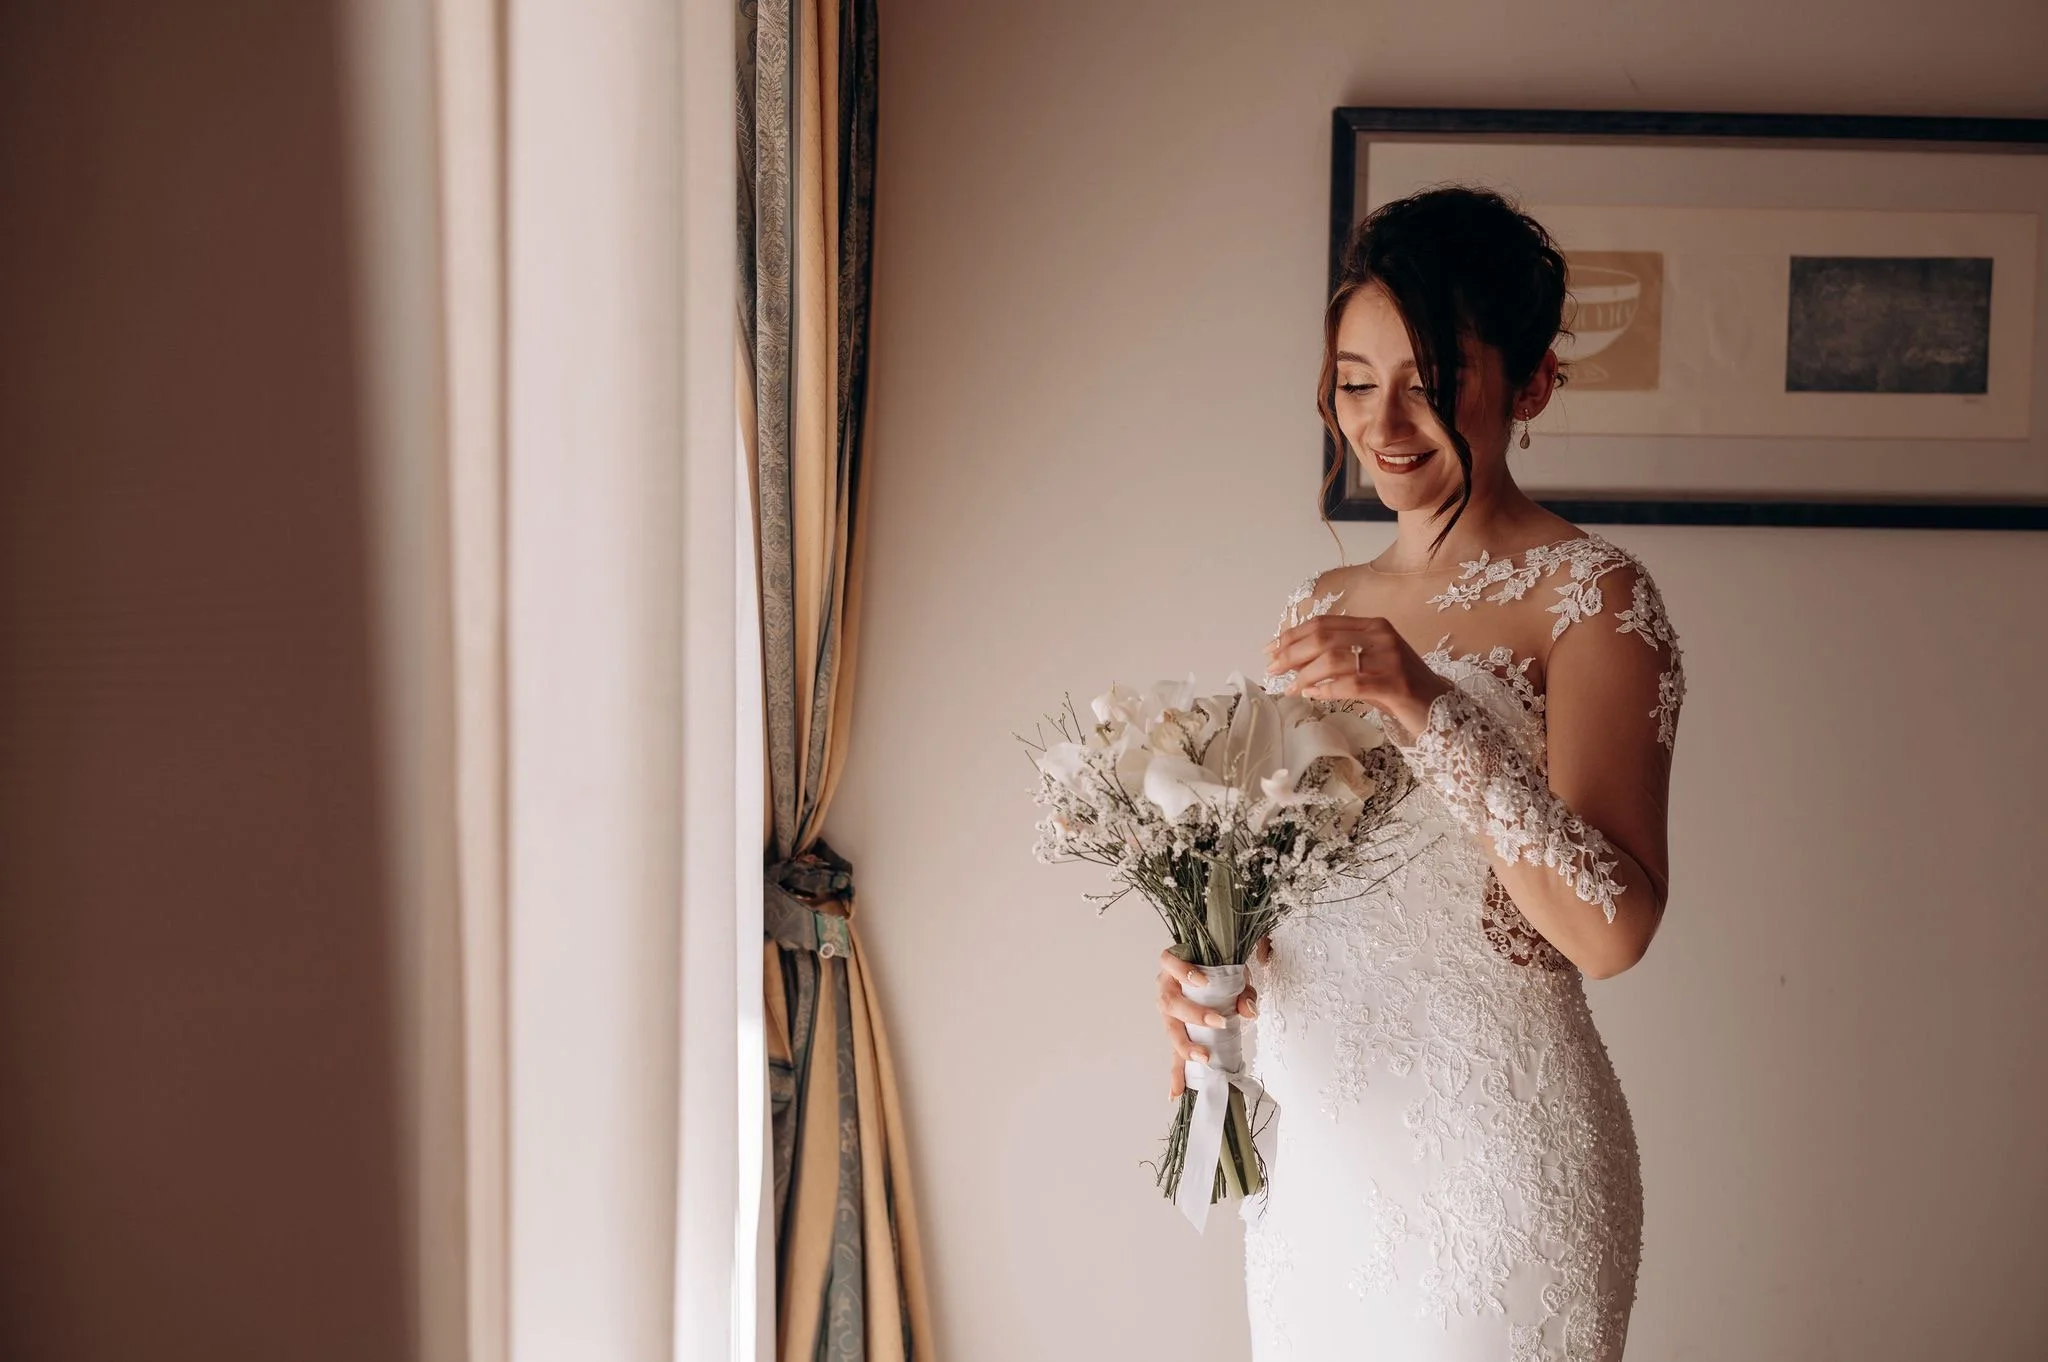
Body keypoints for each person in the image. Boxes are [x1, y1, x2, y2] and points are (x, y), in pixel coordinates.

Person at [1155, 186, 1685, 1360]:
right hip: (1314, 1169)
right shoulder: (1321, 605)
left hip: (1494, 1171)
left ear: (1533, 383)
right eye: (1354, 381)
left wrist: (1425, 701)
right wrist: (1211, 971)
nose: (1383, 421)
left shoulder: (1593, 597)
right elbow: (1301, 889)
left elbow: (1610, 931)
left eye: (1429, 380)